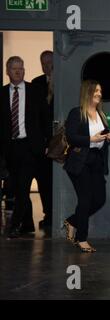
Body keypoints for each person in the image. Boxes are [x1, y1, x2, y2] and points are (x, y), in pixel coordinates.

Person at [62, 80, 110, 252]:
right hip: (80, 161)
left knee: (99, 199)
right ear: (87, 93)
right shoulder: (76, 113)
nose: (99, 94)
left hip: (96, 161)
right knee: (85, 199)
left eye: (100, 91)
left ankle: (72, 221)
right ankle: (81, 238)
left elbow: (102, 138)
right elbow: (71, 137)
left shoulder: (101, 114)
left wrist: (109, 138)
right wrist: (91, 139)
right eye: (95, 91)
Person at [0, 56, 49, 238]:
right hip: (9, 148)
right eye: (14, 69)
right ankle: (27, 223)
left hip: (29, 147)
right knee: (15, 187)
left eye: (21, 68)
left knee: (23, 186)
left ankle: (14, 226)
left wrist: (45, 143)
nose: (18, 71)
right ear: (7, 71)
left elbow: (45, 118)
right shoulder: (2, 93)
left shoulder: (34, 90)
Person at [32, 50, 54, 231]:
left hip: (59, 137)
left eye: (50, 63)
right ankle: (48, 213)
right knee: (43, 179)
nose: (47, 66)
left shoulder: (64, 80)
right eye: (44, 63)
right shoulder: (36, 83)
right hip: (42, 139)